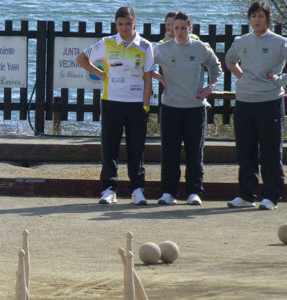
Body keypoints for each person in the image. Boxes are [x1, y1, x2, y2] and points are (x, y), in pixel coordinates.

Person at [225, 1, 287, 210]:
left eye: (261, 16)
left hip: (269, 102)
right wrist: (242, 77)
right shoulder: (241, 41)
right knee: (245, 151)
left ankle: (271, 196)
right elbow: (229, 60)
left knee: (270, 152)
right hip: (244, 102)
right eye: (253, 16)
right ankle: (246, 195)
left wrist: (280, 80)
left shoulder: (279, 42)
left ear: (268, 19)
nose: (256, 20)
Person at [76, 6, 155, 205]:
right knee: (109, 148)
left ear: (134, 22)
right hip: (112, 101)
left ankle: (137, 189)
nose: (125, 28)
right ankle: (109, 189)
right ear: (116, 24)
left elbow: (148, 78)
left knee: (136, 149)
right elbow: (81, 58)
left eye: (128, 24)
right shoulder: (107, 42)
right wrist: (102, 74)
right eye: (120, 24)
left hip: (136, 103)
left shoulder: (145, 46)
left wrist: (146, 105)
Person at [153, 11, 222, 205]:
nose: (180, 32)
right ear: (171, 29)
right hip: (170, 107)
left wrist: (210, 87)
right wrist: (158, 78)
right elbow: (145, 65)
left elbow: (216, 67)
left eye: (184, 28)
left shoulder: (201, 48)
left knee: (194, 152)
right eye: (176, 28)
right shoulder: (162, 49)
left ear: (190, 29)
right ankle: (168, 192)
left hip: (195, 108)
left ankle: (194, 192)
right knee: (169, 152)